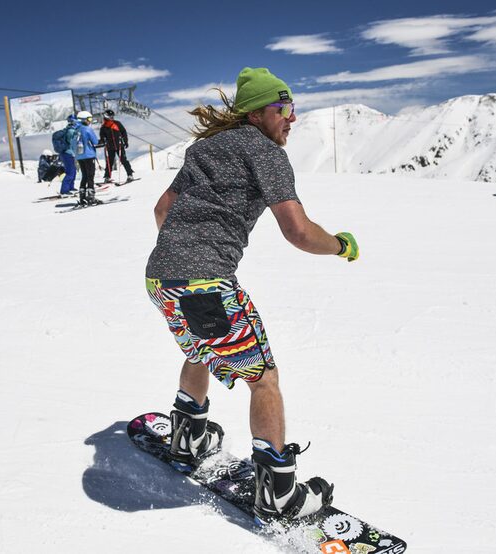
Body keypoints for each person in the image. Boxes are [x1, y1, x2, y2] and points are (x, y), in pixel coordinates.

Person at [145, 67, 360, 523]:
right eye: (283, 109)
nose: (292, 118)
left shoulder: (204, 149)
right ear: (258, 113)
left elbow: (163, 208)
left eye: (293, 109)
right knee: (263, 378)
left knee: (203, 349)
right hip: (205, 282)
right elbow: (298, 232)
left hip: (161, 278)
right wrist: (340, 244)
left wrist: (184, 252)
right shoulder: (265, 153)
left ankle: (188, 438)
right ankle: (279, 493)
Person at [99, 109, 134, 183]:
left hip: (119, 145)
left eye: (112, 116)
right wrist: (103, 141)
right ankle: (107, 177)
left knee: (124, 160)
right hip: (110, 147)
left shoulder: (117, 123)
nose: (111, 117)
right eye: (110, 116)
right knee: (109, 162)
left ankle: (130, 175)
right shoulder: (103, 127)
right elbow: (102, 137)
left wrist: (125, 141)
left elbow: (124, 132)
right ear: (105, 116)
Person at [75, 110, 100, 205]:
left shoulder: (76, 129)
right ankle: (90, 197)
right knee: (90, 176)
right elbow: (95, 141)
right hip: (89, 155)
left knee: (84, 176)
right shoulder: (87, 129)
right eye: (89, 119)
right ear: (84, 120)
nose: (90, 121)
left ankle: (82, 196)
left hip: (79, 156)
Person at [57, 115, 80, 195]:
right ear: (73, 121)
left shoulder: (70, 130)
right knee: (70, 172)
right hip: (67, 153)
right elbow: (72, 143)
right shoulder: (71, 131)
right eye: (76, 121)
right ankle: (64, 190)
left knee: (73, 171)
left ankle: (71, 187)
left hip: (69, 154)